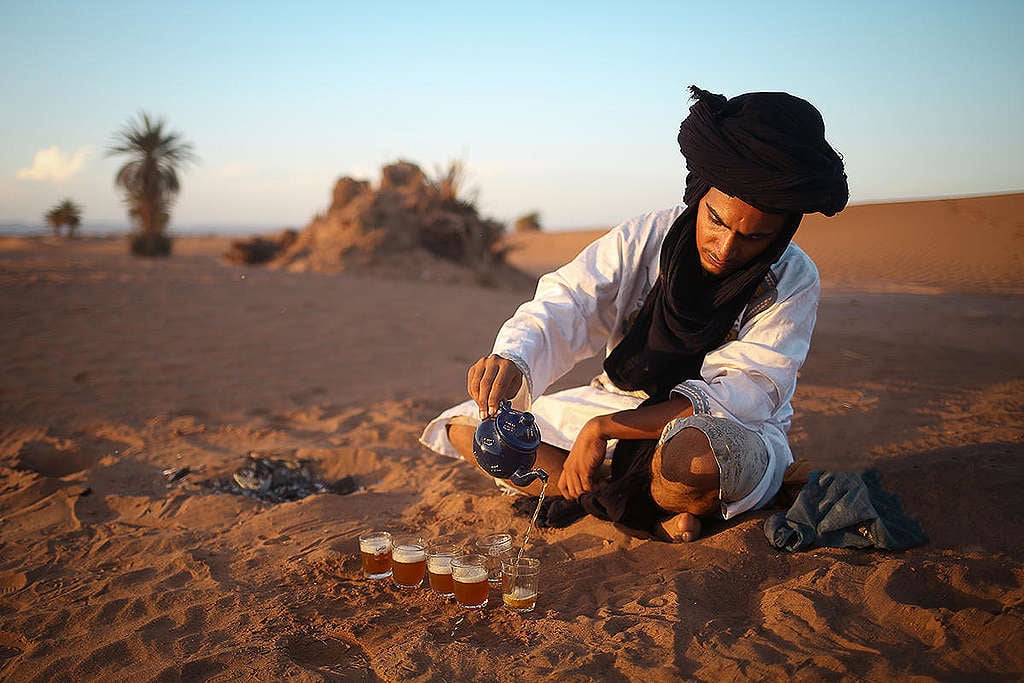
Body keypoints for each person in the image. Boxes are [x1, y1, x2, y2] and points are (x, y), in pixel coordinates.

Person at [420, 85, 848, 541]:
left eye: (755, 237)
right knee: (470, 428)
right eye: (717, 221)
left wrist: (602, 429)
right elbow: (569, 303)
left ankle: (600, 492)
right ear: (698, 194)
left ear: (781, 233)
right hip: (618, 400)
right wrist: (514, 358)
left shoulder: (792, 280)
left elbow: (743, 395)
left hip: (718, 426)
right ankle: (611, 494)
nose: (726, 249)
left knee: (694, 460)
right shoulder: (647, 237)